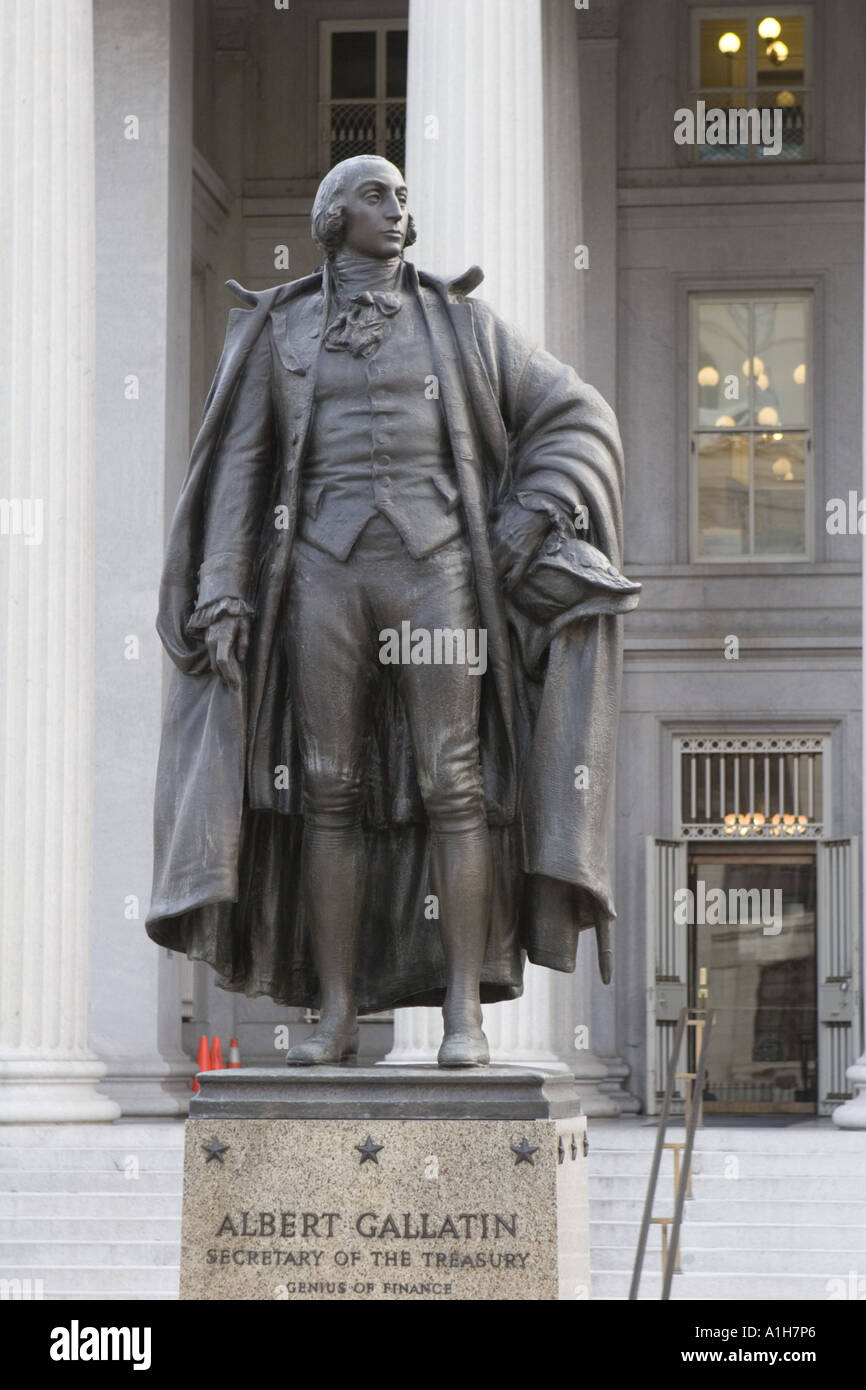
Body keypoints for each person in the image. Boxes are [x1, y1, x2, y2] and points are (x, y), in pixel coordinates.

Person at [146, 156, 638, 1067]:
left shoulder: (462, 324)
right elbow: (242, 471)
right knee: (326, 791)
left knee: (456, 788)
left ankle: (463, 1014)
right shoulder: (279, 331)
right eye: (377, 194)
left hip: (438, 576)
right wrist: (221, 586)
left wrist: (536, 507)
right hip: (322, 576)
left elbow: (575, 411)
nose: (398, 207)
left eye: (405, 195)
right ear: (332, 215)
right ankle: (335, 1015)